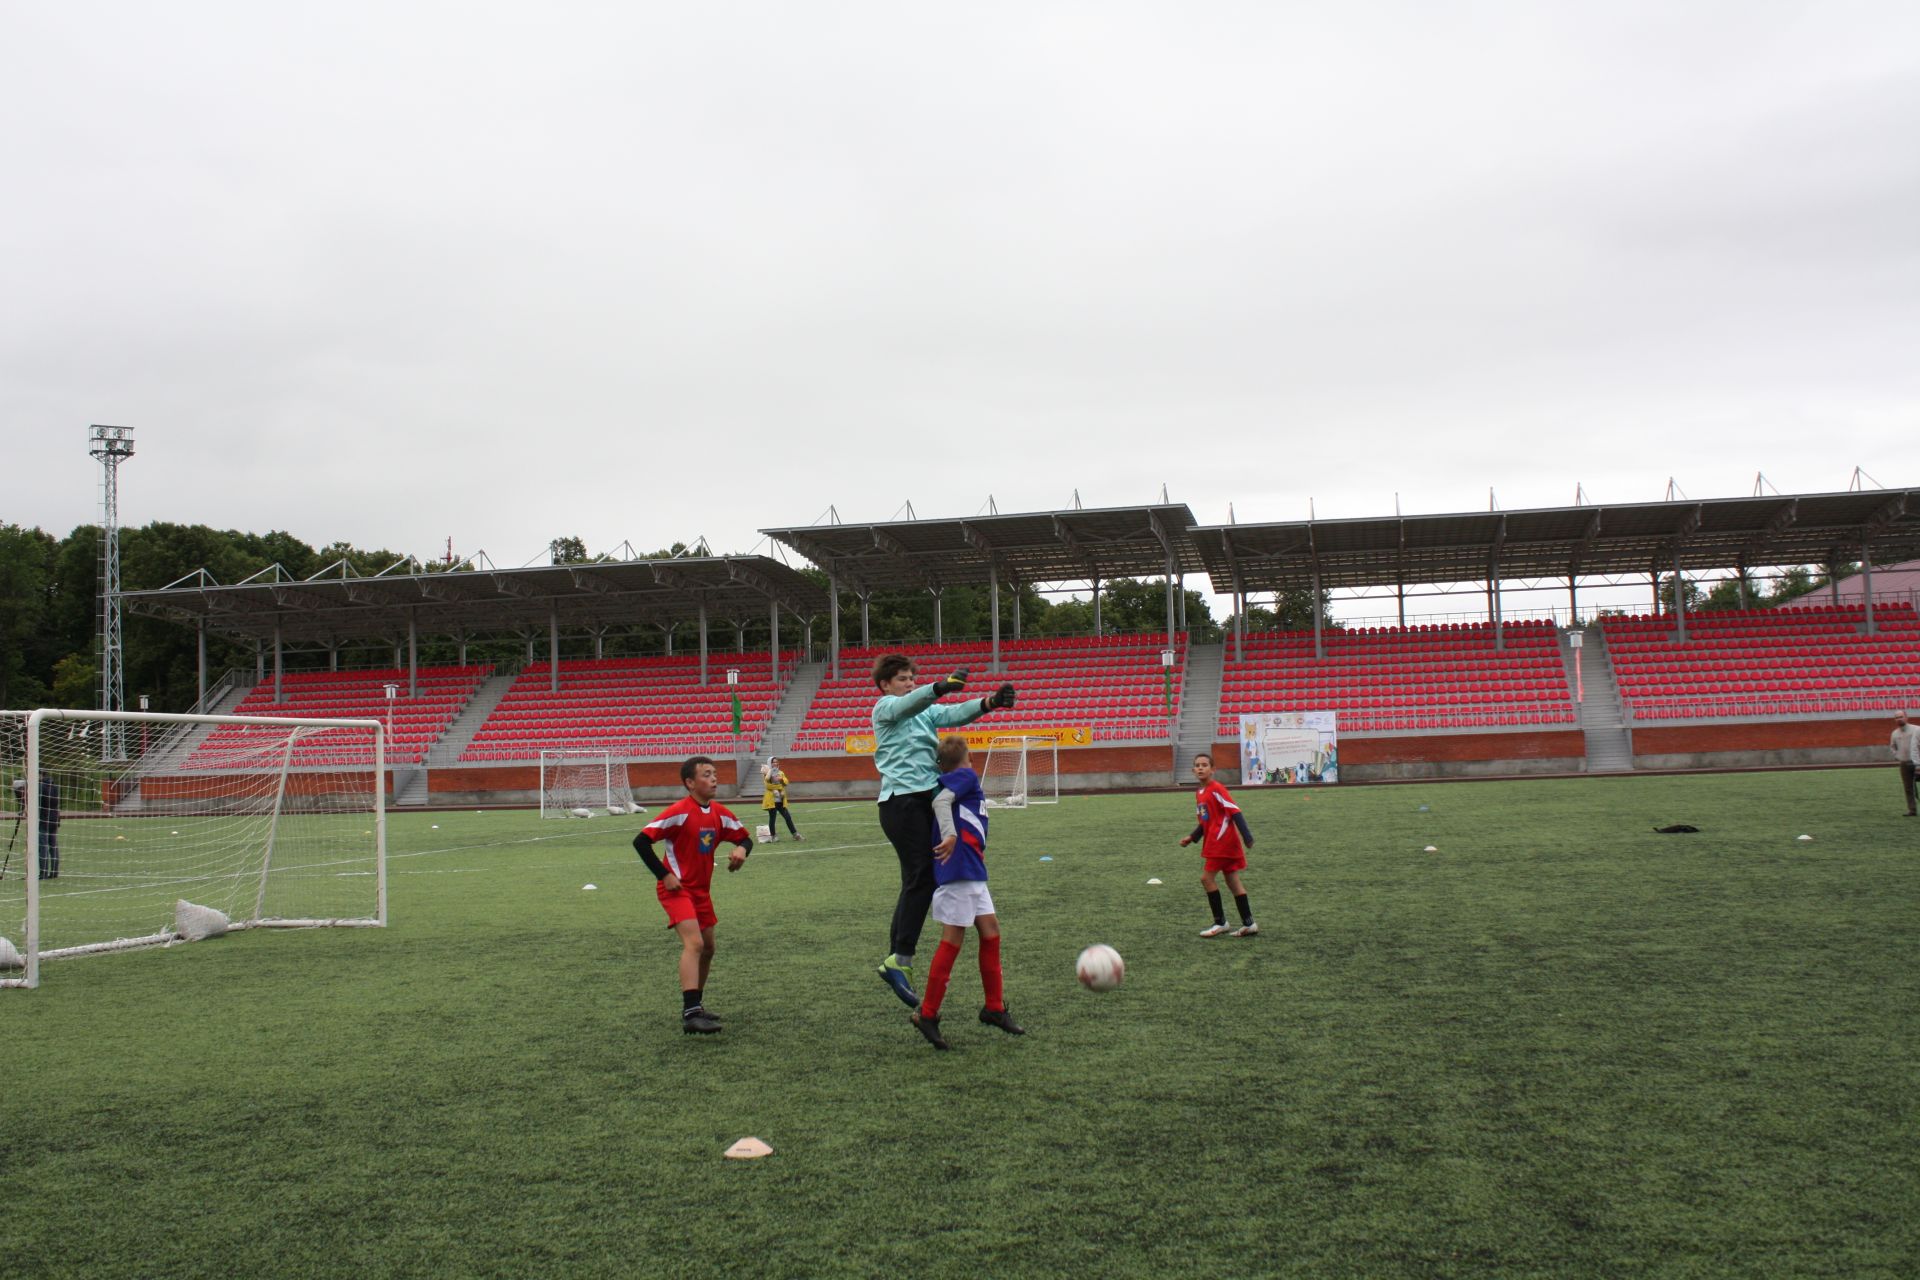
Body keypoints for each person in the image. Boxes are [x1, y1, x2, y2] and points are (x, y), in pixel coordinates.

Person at [870, 654, 1016, 1007]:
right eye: (902, 678)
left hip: (924, 801)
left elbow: (953, 714)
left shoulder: (925, 713)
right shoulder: (886, 708)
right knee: (922, 876)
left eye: (910, 677)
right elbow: (912, 701)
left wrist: (989, 703)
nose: (907, 682)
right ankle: (899, 959)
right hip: (901, 802)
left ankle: (896, 960)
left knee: (917, 879)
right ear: (885, 685)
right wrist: (937, 687)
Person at [908, 736, 1026, 1050]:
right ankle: (928, 1013)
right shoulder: (966, 775)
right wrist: (949, 834)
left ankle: (994, 1008)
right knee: (953, 938)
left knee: (991, 932)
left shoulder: (950, 779)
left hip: (971, 871)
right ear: (968, 757)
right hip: (959, 870)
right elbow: (940, 802)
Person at [632, 756, 753, 1034]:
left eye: (714, 774)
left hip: (701, 892)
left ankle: (696, 1005)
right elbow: (641, 841)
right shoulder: (679, 811)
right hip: (676, 890)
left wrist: (742, 850)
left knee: (709, 948)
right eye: (706, 775)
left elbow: (745, 838)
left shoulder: (719, 813)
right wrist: (664, 875)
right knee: (695, 944)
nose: (714, 779)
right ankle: (690, 1014)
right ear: (689, 783)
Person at [1178, 753, 1257, 938]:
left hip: (1222, 842)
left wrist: (1247, 836)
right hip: (1217, 842)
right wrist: (1192, 837)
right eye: (1197, 765)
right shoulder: (1199, 793)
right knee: (1232, 881)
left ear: (1213, 769)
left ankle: (1220, 922)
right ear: (1192, 770)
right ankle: (1249, 923)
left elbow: (1235, 811)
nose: (1200, 768)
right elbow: (1206, 820)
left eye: (1204, 765)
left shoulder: (1217, 789)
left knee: (1206, 879)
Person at [760, 758, 800, 842]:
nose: (775, 763)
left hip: (780, 800)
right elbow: (768, 786)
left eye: (776, 762)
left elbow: (786, 782)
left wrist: (781, 780)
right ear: (770, 764)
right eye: (773, 762)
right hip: (771, 800)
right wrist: (779, 787)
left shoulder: (780, 772)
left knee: (788, 817)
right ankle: (773, 836)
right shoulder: (766, 773)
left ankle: (795, 834)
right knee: (772, 819)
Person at [1892, 712, 1918, 817]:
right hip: (1904, 764)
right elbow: (1892, 747)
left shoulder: (1916, 729)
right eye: (1897, 717)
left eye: (1901, 717)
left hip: (1918, 762)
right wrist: (1898, 756)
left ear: (1906, 718)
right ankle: (1912, 810)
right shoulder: (1894, 733)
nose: (1899, 719)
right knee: (1908, 788)